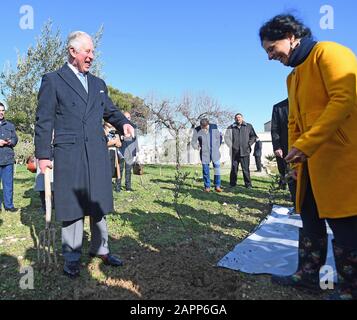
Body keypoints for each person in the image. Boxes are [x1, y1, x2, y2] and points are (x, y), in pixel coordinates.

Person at [260, 14, 357, 300]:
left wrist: (307, 144)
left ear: (291, 36)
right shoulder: (294, 77)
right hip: (310, 164)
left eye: (271, 48)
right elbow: (294, 123)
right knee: (311, 218)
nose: (269, 56)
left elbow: (345, 99)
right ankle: (308, 275)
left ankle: (352, 288)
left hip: (341, 160)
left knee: (345, 224)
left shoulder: (329, 53)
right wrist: (295, 157)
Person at [35, 31, 135, 278]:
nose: (91, 56)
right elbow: (44, 120)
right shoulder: (53, 80)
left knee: (98, 202)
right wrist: (43, 155)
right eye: (87, 51)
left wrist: (123, 123)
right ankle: (71, 257)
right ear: (72, 52)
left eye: (92, 52)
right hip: (69, 152)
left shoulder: (99, 84)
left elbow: (110, 111)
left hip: (97, 152)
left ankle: (101, 249)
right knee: (72, 207)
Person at [271, 98, 296, 207]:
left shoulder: (308, 100)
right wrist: (277, 147)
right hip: (287, 148)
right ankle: (296, 202)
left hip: (308, 145)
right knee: (291, 175)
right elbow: (275, 130)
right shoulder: (279, 107)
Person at [224, 113, 257, 188]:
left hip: (245, 152)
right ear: (234, 119)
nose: (238, 119)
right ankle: (232, 184)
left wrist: (249, 144)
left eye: (239, 117)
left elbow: (253, 136)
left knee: (245, 169)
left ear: (242, 118)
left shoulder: (248, 126)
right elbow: (226, 138)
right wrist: (231, 146)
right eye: (236, 117)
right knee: (234, 169)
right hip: (234, 153)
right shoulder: (231, 127)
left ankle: (248, 184)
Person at [191, 118, 222, 193]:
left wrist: (217, 146)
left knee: (217, 168)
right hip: (204, 152)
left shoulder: (214, 127)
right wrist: (196, 146)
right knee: (205, 170)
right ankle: (207, 186)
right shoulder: (197, 129)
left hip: (214, 151)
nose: (204, 128)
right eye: (202, 127)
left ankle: (217, 186)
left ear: (208, 124)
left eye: (205, 127)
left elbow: (220, 137)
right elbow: (193, 140)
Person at [0, 102, 18, 212]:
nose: (1, 112)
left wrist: (11, 141)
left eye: (2, 110)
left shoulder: (10, 125)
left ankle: (9, 206)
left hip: (8, 159)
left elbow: (16, 139)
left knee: (8, 185)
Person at [118, 112, 139, 192]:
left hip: (130, 152)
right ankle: (118, 187)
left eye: (129, 117)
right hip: (121, 151)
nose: (127, 119)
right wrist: (123, 137)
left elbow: (135, 141)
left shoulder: (134, 127)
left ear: (130, 118)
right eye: (125, 117)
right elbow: (117, 138)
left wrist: (136, 153)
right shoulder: (119, 126)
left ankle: (128, 187)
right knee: (119, 170)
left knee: (128, 171)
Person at [103, 122, 122, 192]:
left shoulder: (114, 132)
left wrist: (116, 142)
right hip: (105, 153)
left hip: (114, 153)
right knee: (106, 171)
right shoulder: (101, 131)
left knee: (114, 171)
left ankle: (115, 188)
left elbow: (119, 143)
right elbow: (104, 143)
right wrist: (114, 141)